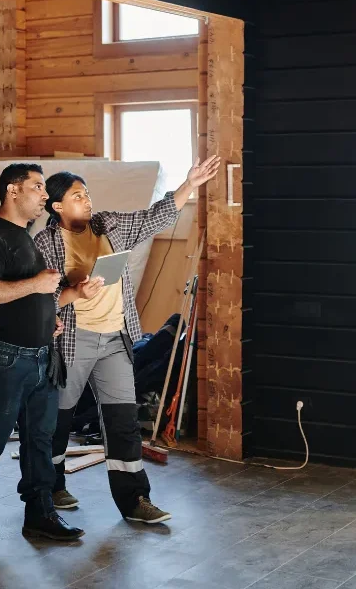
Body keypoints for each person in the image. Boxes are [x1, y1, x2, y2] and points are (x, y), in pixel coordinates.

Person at [34, 156, 221, 524]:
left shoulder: (109, 225)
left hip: (115, 339)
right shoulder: (46, 242)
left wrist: (189, 184)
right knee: (58, 418)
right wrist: (76, 290)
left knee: (122, 421)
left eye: (87, 194)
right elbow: (40, 297)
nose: (86, 201)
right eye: (77, 196)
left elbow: (155, 217)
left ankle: (135, 500)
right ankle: (50, 486)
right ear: (57, 207)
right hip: (73, 340)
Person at [0, 163, 84, 542]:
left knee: (40, 437)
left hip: (41, 354)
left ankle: (40, 513)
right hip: (3, 356)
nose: (45, 195)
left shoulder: (25, 237)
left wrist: (48, 320)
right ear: (12, 190)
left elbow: (28, 296)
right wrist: (37, 284)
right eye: (37, 187)